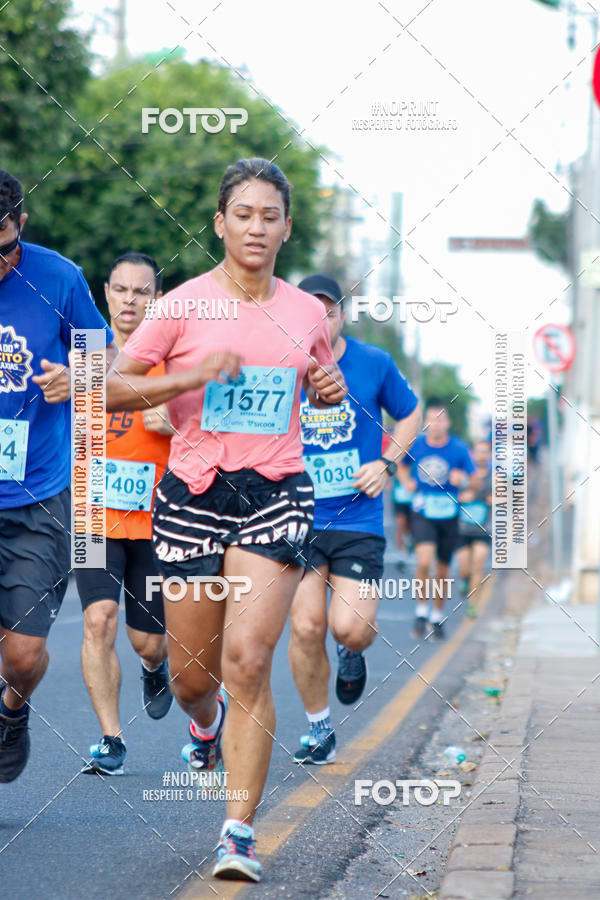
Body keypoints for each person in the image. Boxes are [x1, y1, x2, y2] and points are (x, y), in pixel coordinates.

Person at [105, 159, 346, 882]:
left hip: (274, 492)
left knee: (248, 661)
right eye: (243, 213)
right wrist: (192, 375)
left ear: (287, 228)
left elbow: (323, 385)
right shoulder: (180, 306)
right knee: (191, 676)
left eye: (270, 216)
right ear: (220, 223)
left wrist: (329, 392)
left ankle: (237, 833)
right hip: (191, 492)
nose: (256, 227)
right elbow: (112, 387)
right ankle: (203, 726)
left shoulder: (305, 311)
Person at [0, 170, 117, 783]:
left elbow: (108, 360)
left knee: (22, 655)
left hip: (39, 496)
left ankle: (12, 709)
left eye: (1, 249)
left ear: (21, 226)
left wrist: (79, 379)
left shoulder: (58, 278)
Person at [288, 274, 420, 765]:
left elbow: (409, 413)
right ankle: (319, 729)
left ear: (342, 314)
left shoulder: (373, 363)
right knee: (304, 627)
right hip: (298, 516)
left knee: (351, 628)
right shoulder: (281, 364)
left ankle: (352, 651)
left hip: (358, 518)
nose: (320, 319)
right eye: (310, 310)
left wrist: (387, 461)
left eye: (329, 310)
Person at [76, 253, 174, 775]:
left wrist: (172, 418)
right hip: (92, 514)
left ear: (155, 298)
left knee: (149, 640)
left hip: (155, 519)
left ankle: (153, 668)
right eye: (121, 289)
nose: (130, 299)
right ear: (106, 293)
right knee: (98, 620)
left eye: (141, 291)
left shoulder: (171, 355)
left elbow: (199, 420)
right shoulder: (85, 354)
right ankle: (110, 738)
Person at [398, 399, 477, 641]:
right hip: (423, 511)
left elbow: (474, 481)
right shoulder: (417, 446)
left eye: (441, 419)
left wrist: (462, 480)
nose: (436, 424)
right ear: (426, 422)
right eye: (432, 419)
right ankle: (421, 611)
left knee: (442, 569)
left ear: (448, 423)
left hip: (449, 514)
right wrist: (407, 483)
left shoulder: (458, 449)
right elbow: (400, 466)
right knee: (424, 561)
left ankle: (437, 615)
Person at [456, 440, 492, 617]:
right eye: (478, 452)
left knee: (478, 565)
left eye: (485, 452)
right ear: (472, 454)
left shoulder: (496, 477)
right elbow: (451, 493)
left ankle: (473, 605)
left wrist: (493, 500)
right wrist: (461, 496)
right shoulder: (463, 475)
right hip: (462, 528)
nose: (482, 455)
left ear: (490, 455)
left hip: (483, 528)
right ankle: (464, 579)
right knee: (465, 568)